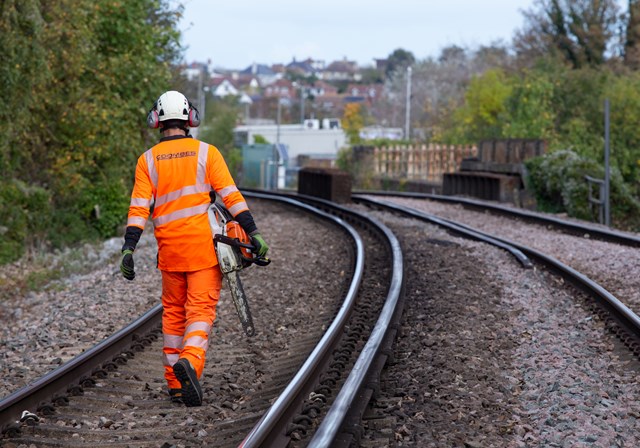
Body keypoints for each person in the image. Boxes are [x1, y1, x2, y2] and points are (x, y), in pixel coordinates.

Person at [119, 90, 269, 407]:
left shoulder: (147, 161)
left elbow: (138, 210)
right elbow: (231, 196)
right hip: (203, 250)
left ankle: (175, 384)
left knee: (173, 315)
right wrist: (253, 232)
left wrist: (129, 248)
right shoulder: (206, 153)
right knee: (200, 313)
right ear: (190, 119)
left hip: (169, 253)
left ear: (157, 120)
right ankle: (190, 361)